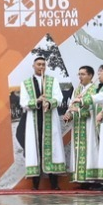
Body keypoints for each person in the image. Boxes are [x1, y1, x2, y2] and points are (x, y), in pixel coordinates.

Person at [20, 55, 66, 189]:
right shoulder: (26, 83)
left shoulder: (52, 81)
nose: (41, 67)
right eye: (39, 64)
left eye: (43, 64)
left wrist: (49, 103)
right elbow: (23, 102)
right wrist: (38, 101)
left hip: (50, 119)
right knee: (35, 150)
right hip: (34, 121)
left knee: (52, 149)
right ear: (33, 66)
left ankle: (54, 183)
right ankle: (35, 184)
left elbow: (59, 97)